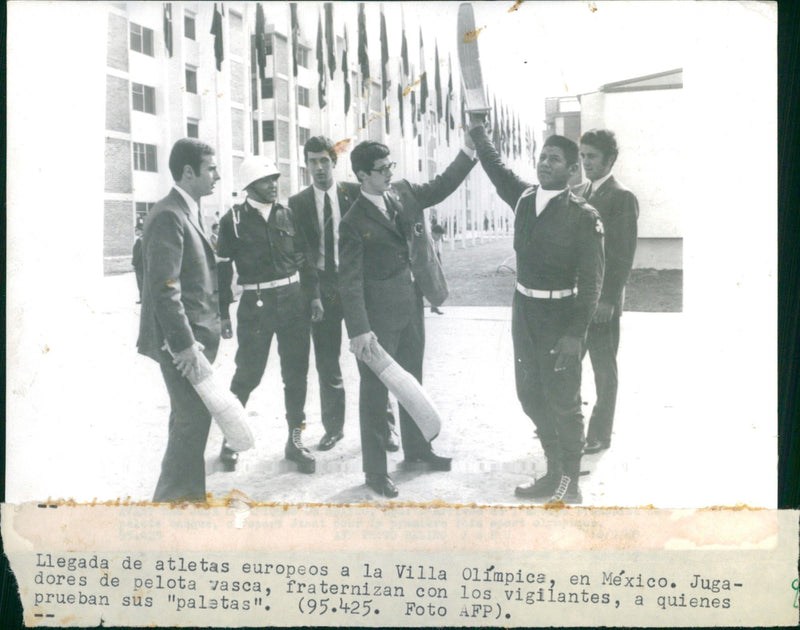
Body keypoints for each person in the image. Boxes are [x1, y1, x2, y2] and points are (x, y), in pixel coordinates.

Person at [468, 114, 605, 504]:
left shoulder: (583, 217)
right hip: (523, 312)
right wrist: (478, 132)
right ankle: (555, 470)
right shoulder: (525, 199)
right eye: (543, 157)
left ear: (572, 170)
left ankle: (571, 484)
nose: (546, 163)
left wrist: (575, 336)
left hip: (560, 317)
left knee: (563, 401)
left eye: (555, 160)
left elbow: (593, 283)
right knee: (529, 394)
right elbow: (496, 168)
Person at [338, 138, 477, 498]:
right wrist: (360, 330)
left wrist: (469, 152)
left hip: (411, 307)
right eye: (381, 170)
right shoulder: (352, 222)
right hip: (376, 324)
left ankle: (417, 451)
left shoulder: (402, 193)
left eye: (390, 167)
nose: (389, 174)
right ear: (362, 175)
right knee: (374, 394)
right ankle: (375, 472)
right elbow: (349, 282)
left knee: (413, 381)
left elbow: (442, 186)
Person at [289, 136, 399, 453]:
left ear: (334, 162)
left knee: (375, 359)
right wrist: (312, 295)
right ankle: (333, 428)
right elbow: (301, 255)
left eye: (324, 160)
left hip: (359, 287)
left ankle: (387, 428)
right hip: (323, 289)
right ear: (306, 165)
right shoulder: (298, 204)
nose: (319, 167)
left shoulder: (354, 193)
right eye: (312, 161)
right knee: (327, 362)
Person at [215, 157, 323, 473]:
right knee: (247, 374)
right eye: (266, 181)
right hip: (255, 305)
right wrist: (223, 314)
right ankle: (231, 440)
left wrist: (314, 296)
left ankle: (295, 440)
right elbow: (222, 273)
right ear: (249, 186)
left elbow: (305, 260)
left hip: (293, 302)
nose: (273, 185)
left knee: (296, 373)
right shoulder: (232, 221)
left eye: (275, 179)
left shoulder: (287, 215)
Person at [137, 138, 221, 502]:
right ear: (189, 172)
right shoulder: (169, 214)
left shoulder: (187, 210)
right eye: (210, 168)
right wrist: (185, 345)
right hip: (182, 345)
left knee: (190, 421)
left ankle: (185, 503)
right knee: (191, 422)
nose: (216, 175)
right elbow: (164, 288)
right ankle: (171, 506)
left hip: (193, 341)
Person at [574, 129, 639, 454]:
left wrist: (609, 300)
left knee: (602, 368)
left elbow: (622, 256)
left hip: (602, 302)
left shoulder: (621, 196)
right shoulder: (582, 191)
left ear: (610, 160)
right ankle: (569, 425)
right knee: (569, 363)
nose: (586, 162)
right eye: (582, 156)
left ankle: (600, 433)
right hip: (578, 299)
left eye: (592, 156)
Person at [429, 215, 446, 314]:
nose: (439, 238)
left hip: (434, 266)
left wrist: (440, 267)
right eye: (438, 236)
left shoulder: (437, 241)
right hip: (426, 267)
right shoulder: (427, 241)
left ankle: (434, 306)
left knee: (435, 286)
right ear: (433, 233)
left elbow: (438, 254)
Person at [132, 227, 144, 303]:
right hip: (143, 265)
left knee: (141, 283)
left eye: (136, 230)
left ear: (141, 230)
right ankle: (143, 299)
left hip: (139, 265)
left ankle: (142, 299)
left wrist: (134, 264)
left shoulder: (140, 241)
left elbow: (137, 254)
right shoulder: (144, 239)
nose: (135, 232)